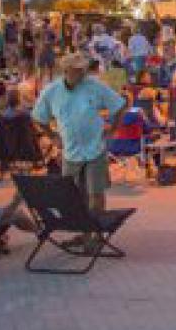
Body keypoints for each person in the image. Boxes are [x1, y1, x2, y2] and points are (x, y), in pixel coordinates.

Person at [32, 52, 127, 216]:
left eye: (83, 69)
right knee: (74, 195)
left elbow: (118, 105)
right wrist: (52, 136)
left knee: (96, 193)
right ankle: (84, 232)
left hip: (95, 148)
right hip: (70, 151)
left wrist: (113, 130)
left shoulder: (95, 85)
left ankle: (95, 233)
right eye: (77, 70)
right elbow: (39, 117)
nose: (82, 72)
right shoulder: (51, 91)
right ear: (66, 70)